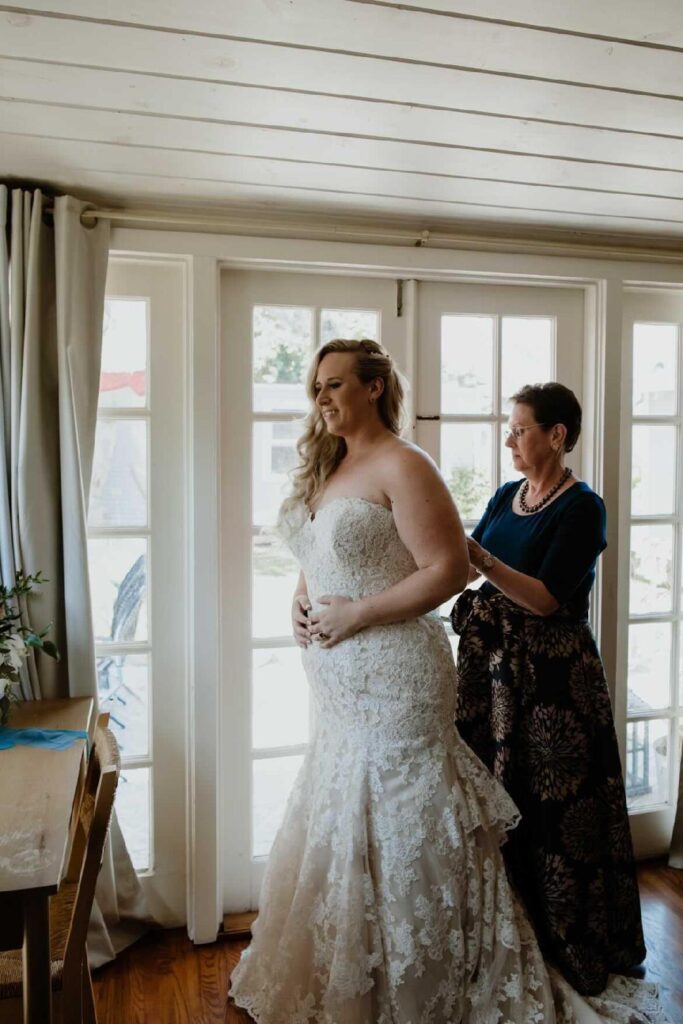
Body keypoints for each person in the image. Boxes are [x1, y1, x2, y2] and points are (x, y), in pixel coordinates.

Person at [230, 342, 665, 1023]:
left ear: (374, 388)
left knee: (416, 817)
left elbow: (448, 568)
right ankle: (351, 966)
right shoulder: (332, 465)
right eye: (315, 386)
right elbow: (321, 549)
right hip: (343, 685)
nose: (321, 398)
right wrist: (302, 593)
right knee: (343, 804)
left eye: (335, 384)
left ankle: (437, 976)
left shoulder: (406, 464)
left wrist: (355, 616)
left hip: (402, 675)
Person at [451, 382, 645, 997]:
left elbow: (543, 598)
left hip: (554, 681)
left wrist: (480, 560)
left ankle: (573, 937)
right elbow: (459, 564)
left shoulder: (583, 508)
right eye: (510, 428)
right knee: (501, 799)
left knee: (558, 813)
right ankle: (512, 930)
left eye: (520, 428)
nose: (509, 438)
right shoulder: (509, 495)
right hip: (496, 675)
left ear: (556, 436)